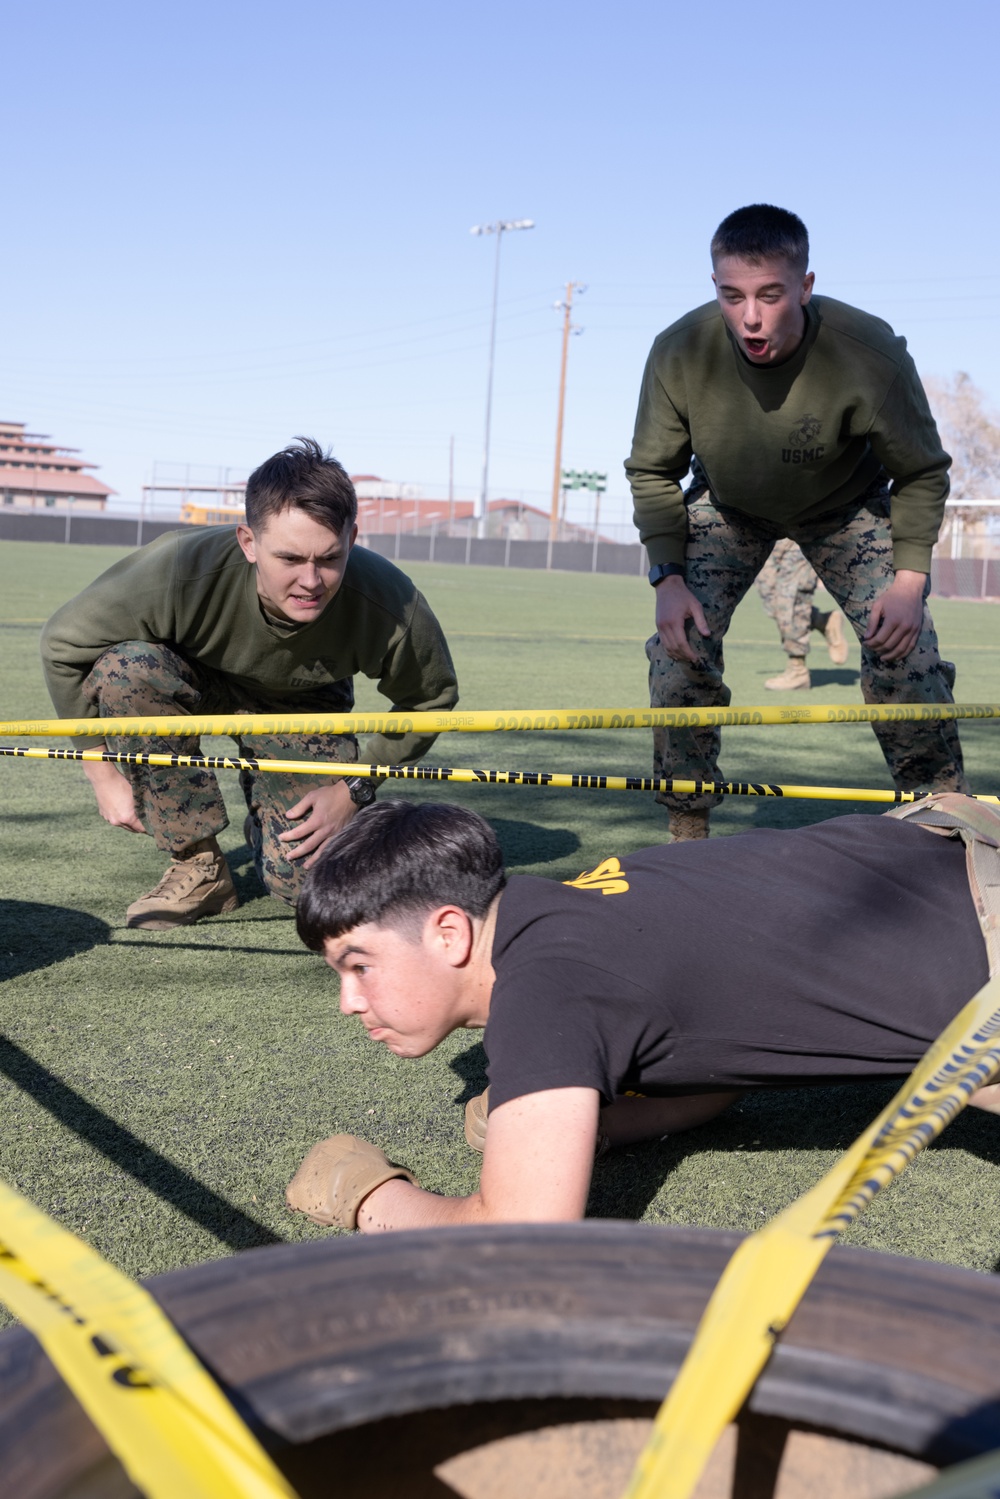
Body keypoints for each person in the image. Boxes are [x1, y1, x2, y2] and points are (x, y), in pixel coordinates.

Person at [285, 797, 998, 1234]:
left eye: (359, 965)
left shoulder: (544, 989)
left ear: (448, 932)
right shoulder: (570, 897)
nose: (350, 1000)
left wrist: (369, 1195)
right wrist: (592, 1120)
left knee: (970, 1071)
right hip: (957, 844)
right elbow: (715, 1069)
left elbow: (521, 1240)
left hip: (987, 949)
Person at [624, 204, 966, 843]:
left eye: (770, 295)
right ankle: (687, 827)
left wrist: (910, 580)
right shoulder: (679, 351)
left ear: (805, 288)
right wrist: (667, 576)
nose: (750, 317)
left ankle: (942, 818)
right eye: (732, 296)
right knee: (679, 648)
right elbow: (651, 471)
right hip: (730, 506)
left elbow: (922, 470)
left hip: (844, 506)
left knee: (905, 651)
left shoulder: (869, 351)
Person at [40, 439, 458, 929]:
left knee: (316, 887)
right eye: (289, 558)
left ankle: (268, 822)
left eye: (329, 558)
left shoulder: (390, 600)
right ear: (248, 542)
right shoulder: (180, 567)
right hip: (194, 682)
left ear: (353, 538)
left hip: (302, 705)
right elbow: (62, 646)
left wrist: (353, 788)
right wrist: (102, 773)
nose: (311, 581)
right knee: (127, 668)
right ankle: (198, 864)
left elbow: (430, 698)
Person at [755, 538, 848, 690]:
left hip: (800, 529)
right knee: (772, 600)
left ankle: (797, 670)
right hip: (767, 531)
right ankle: (822, 621)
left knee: (791, 599)